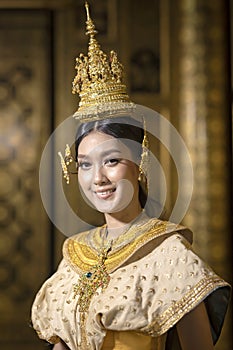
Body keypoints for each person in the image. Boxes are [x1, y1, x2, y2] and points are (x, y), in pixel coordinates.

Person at [31, 2, 231, 350]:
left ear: (139, 162)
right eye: (86, 164)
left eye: (111, 161)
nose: (98, 179)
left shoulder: (171, 255)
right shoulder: (74, 255)